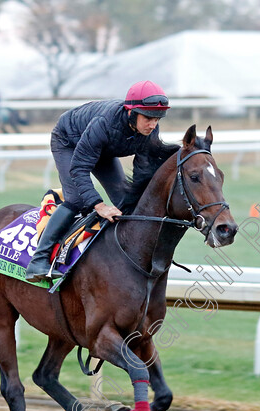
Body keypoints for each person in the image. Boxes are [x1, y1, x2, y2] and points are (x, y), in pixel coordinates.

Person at [25, 80, 171, 282]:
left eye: (158, 118)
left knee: (125, 202)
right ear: (131, 112)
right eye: (148, 118)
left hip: (102, 149)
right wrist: (99, 205)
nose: (153, 124)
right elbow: (79, 168)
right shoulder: (105, 123)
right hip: (69, 142)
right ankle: (38, 260)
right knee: (77, 200)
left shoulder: (149, 130)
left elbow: (144, 170)